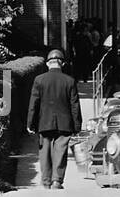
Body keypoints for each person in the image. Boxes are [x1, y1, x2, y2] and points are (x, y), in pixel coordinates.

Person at [27, 48, 82, 189]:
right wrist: (77, 126)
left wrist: (30, 123)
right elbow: (74, 105)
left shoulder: (39, 80)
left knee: (44, 152)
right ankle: (57, 180)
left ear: (47, 64)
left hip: (44, 122)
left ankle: (46, 181)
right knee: (61, 151)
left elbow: (34, 104)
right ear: (62, 64)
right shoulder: (70, 81)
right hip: (65, 123)